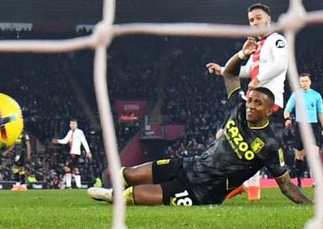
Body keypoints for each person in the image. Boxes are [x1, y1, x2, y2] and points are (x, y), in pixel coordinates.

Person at [88, 40, 312, 207]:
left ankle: (112, 197)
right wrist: (242, 54)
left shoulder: (269, 145)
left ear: (269, 110)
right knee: (127, 174)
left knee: (131, 196)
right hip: (189, 165)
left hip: (203, 191)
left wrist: (310, 206)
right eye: (251, 99)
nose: (251, 105)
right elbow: (230, 75)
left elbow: (286, 186)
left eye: (258, 103)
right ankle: (113, 189)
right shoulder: (239, 107)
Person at [206, 2, 287, 198]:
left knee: (233, 137)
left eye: (258, 18)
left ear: (268, 18)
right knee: (227, 136)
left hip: (268, 101)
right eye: (251, 20)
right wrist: (222, 71)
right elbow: (247, 71)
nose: (255, 22)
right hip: (254, 99)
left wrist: (259, 79)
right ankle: (243, 186)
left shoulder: (277, 40)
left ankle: (238, 185)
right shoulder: (258, 46)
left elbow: (282, 63)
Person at [283, 73, 323, 187]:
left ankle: (316, 181)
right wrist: (287, 119)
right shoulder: (296, 95)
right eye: (302, 81)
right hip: (300, 126)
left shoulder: (316, 96)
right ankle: (299, 181)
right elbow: (287, 109)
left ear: (310, 82)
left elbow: (320, 113)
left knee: (314, 155)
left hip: (313, 126)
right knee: (299, 156)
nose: (304, 83)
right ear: (299, 83)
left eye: (306, 81)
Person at [53, 120, 91, 189]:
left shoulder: (79, 132)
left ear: (76, 125)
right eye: (71, 124)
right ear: (70, 125)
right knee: (74, 168)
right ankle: (76, 185)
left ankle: (69, 185)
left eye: (74, 124)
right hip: (71, 153)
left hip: (76, 153)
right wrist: (58, 141)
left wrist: (88, 151)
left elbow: (84, 142)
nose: (72, 125)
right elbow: (65, 140)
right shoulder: (70, 132)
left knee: (67, 168)